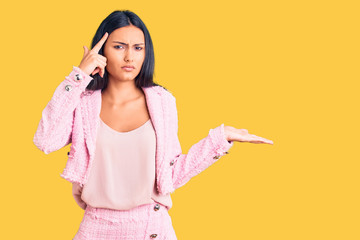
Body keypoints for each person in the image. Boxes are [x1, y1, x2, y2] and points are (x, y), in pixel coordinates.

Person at [33, 9, 274, 240]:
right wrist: (78, 77)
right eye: (119, 47)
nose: (130, 57)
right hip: (96, 227)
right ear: (101, 50)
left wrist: (220, 139)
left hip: (152, 228)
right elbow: (45, 141)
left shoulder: (162, 102)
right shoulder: (82, 103)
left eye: (138, 48)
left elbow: (169, 176)